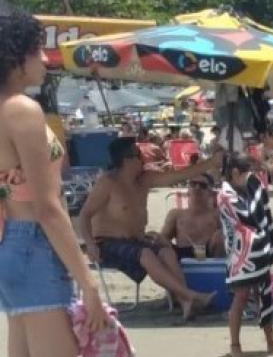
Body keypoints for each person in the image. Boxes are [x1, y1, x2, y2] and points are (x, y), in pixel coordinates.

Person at [0, 12, 146, 357]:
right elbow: (49, 206)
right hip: (35, 249)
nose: (45, 59)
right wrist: (86, 278)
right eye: (38, 51)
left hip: (10, 247)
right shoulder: (21, 109)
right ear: (17, 56)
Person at [78, 136, 223, 322]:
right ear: (128, 159)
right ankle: (189, 295)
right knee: (146, 253)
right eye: (139, 155)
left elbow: (180, 175)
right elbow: (84, 215)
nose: (144, 159)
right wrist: (89, 243)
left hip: (136, 241)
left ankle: (184, 300)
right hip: (107, 242)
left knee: (166, 252)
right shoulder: (108, 183)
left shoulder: (144, 180)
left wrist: (211, 163)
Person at [216, 155, 273, 357]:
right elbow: (245, 217)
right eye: (246, 174)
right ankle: (235, 345)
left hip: (258, 250)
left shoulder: (248, 188)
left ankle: (271, 340)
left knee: (264, 293)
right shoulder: (224, 195)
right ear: (235, 173)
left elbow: (260, 207)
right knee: (241, 297)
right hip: (240, 255)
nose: (249, 178)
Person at [158, 173, 224, 260]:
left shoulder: (218, 214)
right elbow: (163, 238)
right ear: (188, 190)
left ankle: (217, 271)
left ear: (210, 193)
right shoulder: (176, 214)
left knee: (221, 235)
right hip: (181, 254)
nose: (197, 188)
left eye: (203, 185)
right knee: (156, 238)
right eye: (193, 184)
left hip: (209, 254)